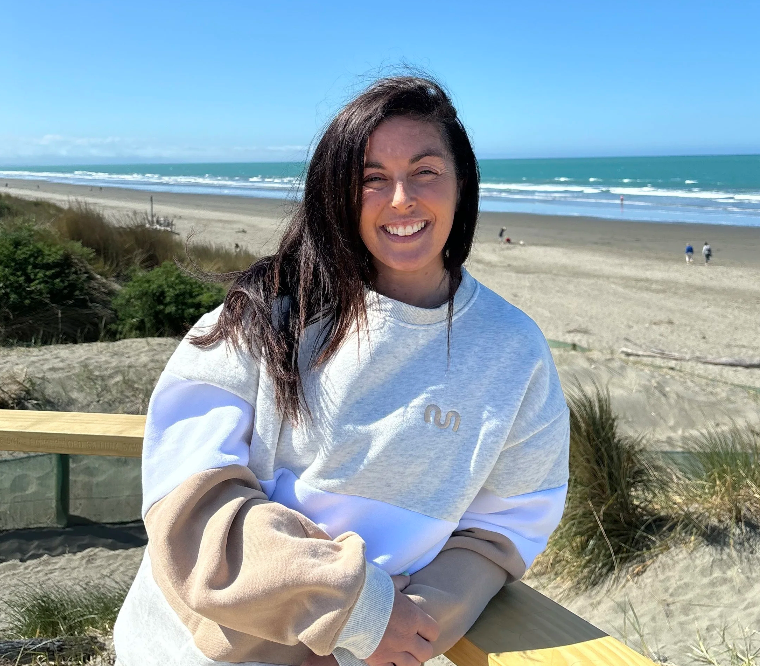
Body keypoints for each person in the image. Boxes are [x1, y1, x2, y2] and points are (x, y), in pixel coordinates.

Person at [114, 76, 569, 666]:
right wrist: (351, 609)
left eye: (426, 171)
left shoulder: (514, 350)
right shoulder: (265, 313)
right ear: (338, 193)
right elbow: (190, 500)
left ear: (462, 182)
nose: (401, 198)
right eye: (371, 178)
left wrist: (409, 626)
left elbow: (501, 530)